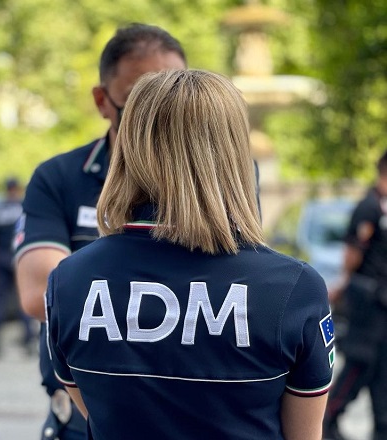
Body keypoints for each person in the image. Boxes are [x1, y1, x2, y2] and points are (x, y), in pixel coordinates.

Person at [46, 69, 333, 439]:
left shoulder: (69, 280)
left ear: (131, 147)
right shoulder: (293, 288)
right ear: (234, 152)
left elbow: (96, 414)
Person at [14, 24, 187, 439]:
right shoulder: (60, 177)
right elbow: (40, 294)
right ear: (102, 100)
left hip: (191, 409)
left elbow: (243, 280)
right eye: (139, 99)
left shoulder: (220, 178)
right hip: (85, 416)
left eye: (174, 95)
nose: (157, 115)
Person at [323, 151, 387, 440]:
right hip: (368, 302)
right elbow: (352, 255)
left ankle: (382, 426)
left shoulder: (381, 207)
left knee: (382, 370)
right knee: (360, 362)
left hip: (381, 304)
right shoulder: (369, 207)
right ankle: (326, 419)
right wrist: (342, 285)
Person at [0, 178, 36, 358]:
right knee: (23, 298)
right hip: (20, 256)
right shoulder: (25, 207)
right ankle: (28, 339)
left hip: (1, 256)